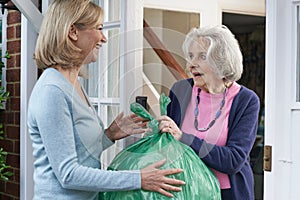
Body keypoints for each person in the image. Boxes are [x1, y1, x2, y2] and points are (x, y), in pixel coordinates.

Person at [27, 0, 184, 199]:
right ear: (73, 32)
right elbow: (68, 174)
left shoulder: (72, 84)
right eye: (99, 28)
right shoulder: (53, 90)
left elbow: (80, 153)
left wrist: (109, 134)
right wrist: (139, 179)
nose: (104, 38)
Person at [158, 25, 260, 200]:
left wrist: (184, 138)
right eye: (190, 56)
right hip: (185, 190)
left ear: (222, 60)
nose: (191, 64)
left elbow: (233, 160)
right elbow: (169, 144)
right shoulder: (180, 90)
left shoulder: (246, 100)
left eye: (202, 56)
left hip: (227, 194)